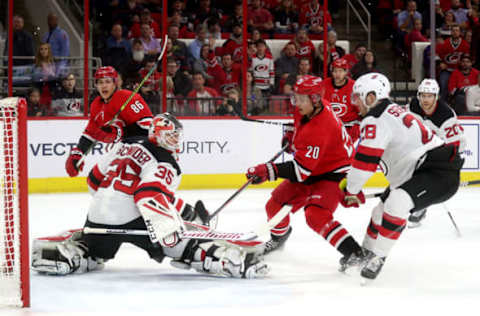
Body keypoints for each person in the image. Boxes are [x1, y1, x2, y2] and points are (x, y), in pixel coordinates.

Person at [33, 113, 268, 279]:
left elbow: (93, 181)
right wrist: (169, 231)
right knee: (186, 247)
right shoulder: (166, 161)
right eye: (173, 135)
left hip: (95, 219)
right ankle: (230, 262)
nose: (176, 140)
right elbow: (148, 195)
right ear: (162, 136)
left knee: (96, 250)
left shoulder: (126, 144)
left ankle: (75, 254)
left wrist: (185, 211)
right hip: (133, 218)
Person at [340, 73, 463, 281]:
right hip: (418, 170)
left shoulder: (376, 118)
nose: (355, 103)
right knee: (379, 213)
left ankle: (377, 257)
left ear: (371, 97)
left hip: (437, 172)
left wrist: (351, 191)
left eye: (357, 97)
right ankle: (365, 253)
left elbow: (364, 164)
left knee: (396, 204)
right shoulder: (390, 110)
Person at [245, 75, 364, 266]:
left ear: (315, 99)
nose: (296, 102)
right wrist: (292, 137)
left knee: (316, 215)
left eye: (301, 98)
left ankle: (355, 254)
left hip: (334, 172)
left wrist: (268, 170)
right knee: (274, 205)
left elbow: (300, 172)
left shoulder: (321, 126)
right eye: (296, 97)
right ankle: (278, 240)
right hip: (315, 166)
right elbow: (300, 128)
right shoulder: (307, 109)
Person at [65, 66, 153, 178]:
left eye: (108, 81)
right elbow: (90, 133)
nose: (104, 85)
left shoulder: (127, 97)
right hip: (122, 153)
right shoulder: (96, 105)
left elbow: (149, 128)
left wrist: (119, 133)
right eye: (100, 82)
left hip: (144, 152)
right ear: (96, 85)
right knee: (95, 180)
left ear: (115, 83)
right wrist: (78, 153)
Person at [406, 78, 466, 226]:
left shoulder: (446, 115)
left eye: (430, 96)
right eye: (423, 95)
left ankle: (421, 206)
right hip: (423, 145)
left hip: (446, 148)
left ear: (436, 97)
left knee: (430, 177)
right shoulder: (413, 106)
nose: (425, 99)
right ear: (419, 95)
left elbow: (455, 144)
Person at [319, 58, 359, 143]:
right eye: (335, 71)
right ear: (332, 72)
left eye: (340, 71)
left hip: (349, 128)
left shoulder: (354, 86)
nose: (337, 74)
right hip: (329, 127)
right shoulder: (324, 84)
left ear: (346, 72)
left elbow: (360, 110)